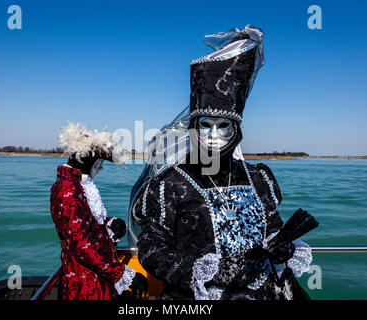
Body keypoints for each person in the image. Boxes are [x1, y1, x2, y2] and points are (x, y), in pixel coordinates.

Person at [129, 25, 316, 300]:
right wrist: (206, 271)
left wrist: (281, 246)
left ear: (236, 129)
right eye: (206, 125)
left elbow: (273, 227)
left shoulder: (258, 178)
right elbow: (152, 250)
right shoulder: (170, 184)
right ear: (193, 127)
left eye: (223, 125)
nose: (214, 135)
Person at [50, 122, 147, 300]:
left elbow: (83, 222)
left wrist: (109, 223)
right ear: (91, 162)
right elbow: (81, 245)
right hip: (85, 278)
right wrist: (122, 274)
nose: (100, 169)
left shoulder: (76, 184)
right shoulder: (68, 190)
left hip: (98, 272)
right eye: (100, 163)